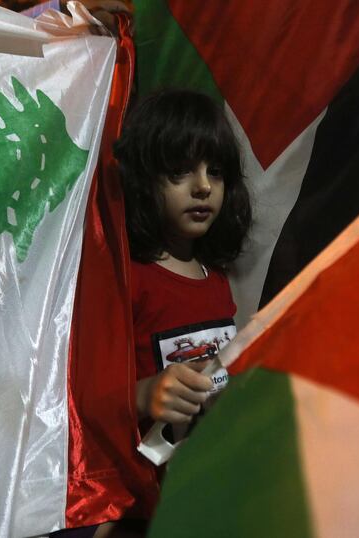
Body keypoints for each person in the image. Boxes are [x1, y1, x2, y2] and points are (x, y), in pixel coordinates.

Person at [114, 88, 252, 436]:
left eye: (216, 171)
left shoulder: (215, 276)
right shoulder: (128, 279)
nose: (203, 186)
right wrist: (143, 395)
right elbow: (79, 395)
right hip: (145, 482)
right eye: (180, 171)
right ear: (142, 179)